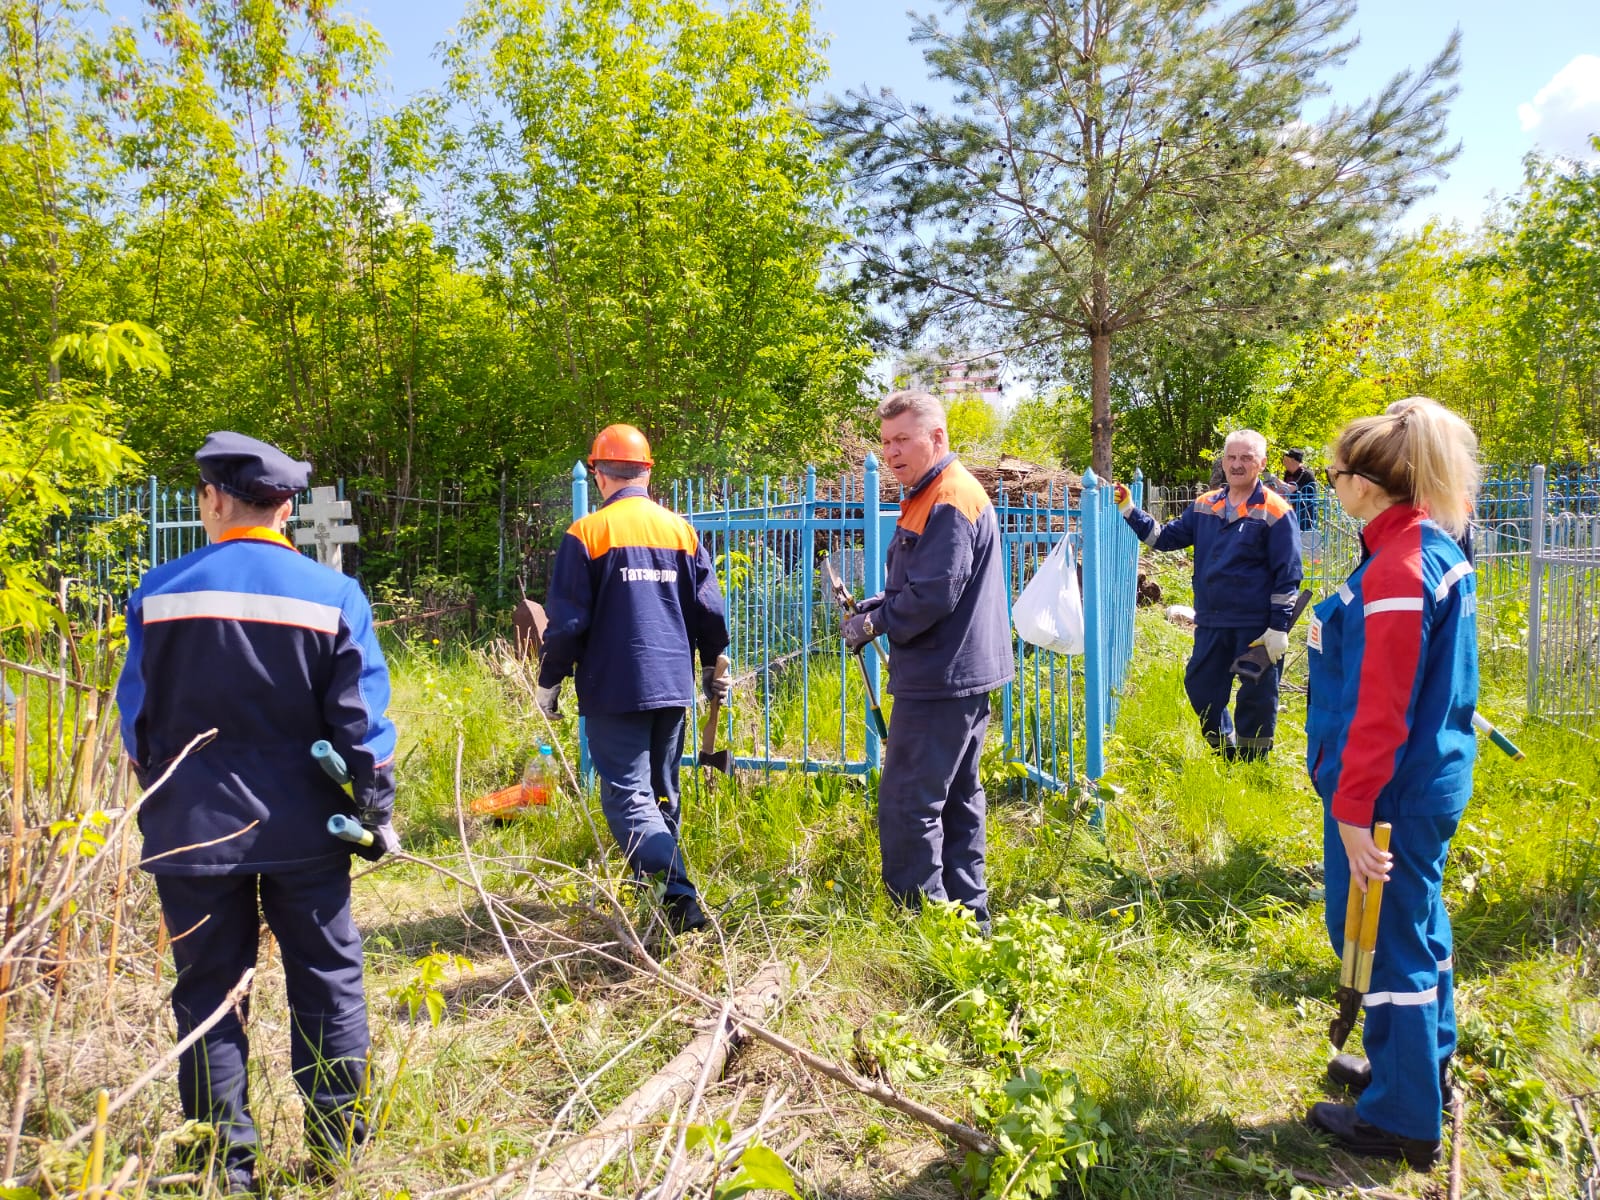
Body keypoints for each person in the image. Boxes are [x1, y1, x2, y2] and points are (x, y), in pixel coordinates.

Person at [116, 432, 399, 1195]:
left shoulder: (159, 592)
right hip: (307, 830)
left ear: (212, 499)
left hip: (191, 832)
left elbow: (137, 730)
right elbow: (361, 726)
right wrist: (375, 810)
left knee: (207, 993)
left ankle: (221, 1165)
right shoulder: (331, 595)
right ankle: (338, 1154)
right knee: (328, 980)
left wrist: (168, 802)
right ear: (287, 506)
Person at [1303, 397, 1481, 1170]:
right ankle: (1420, 1070)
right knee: (1419, 929)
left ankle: (1401, 1119)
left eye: (1335, 474)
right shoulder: (1425, 547)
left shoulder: (1401, 565)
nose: (1331, 487)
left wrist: (1351, 807)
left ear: (1365, 483)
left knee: (1382, 948)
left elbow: (1382, 705)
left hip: (1386, 799)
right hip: (1419, 789)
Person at [536, 424, 729, 934]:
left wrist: (548, 683)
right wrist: (712, 667)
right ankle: (658, 902)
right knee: (662, 793)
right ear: (648, 471)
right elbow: (710, 612)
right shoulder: (681, 531)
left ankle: (678, 900)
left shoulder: (587, 534)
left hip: (614, 686)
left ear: (598, 473)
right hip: (671, 685)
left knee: (629, 797)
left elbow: (568, 624)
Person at [842, 390, 1013, 930]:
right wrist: (877, 605)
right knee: (959, 796)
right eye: (885, 441)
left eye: (902, 439)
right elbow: (921, 584)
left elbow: (935, 594)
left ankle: (925, 926)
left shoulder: (948, 498)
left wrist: (873, 623)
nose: (891, 451)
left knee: (907, 805)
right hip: (958, 671)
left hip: (941, 676)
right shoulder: (929, 492)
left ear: (936, 437)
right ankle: (970, 919)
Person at [1115, 430, 1303, 760]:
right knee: (1200, 686)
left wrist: (1278, 628)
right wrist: (1129, 509)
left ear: (1261, 463)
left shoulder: (1276, 511)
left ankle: (1252, 765)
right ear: (1223, 461)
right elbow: (1164, 538)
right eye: (1231, 457)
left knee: (1256, 697)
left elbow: (1288, 574)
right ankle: (1224, 749)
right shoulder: (1205, 505)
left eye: (1246, 458)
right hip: (1213, 620)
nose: (1237, 464)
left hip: (1256, 625)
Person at [1274, 448, 1321, 557]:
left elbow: (1290, 488)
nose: (1284, 460)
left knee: (1308, 535)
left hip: (1306, 510)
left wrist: (1275, 479)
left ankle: (1313, 561)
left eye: (1286, 458)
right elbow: (1284, 491)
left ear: (1293, 460)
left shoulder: (1305, 474)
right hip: (1292, 508)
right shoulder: (1288, 473)